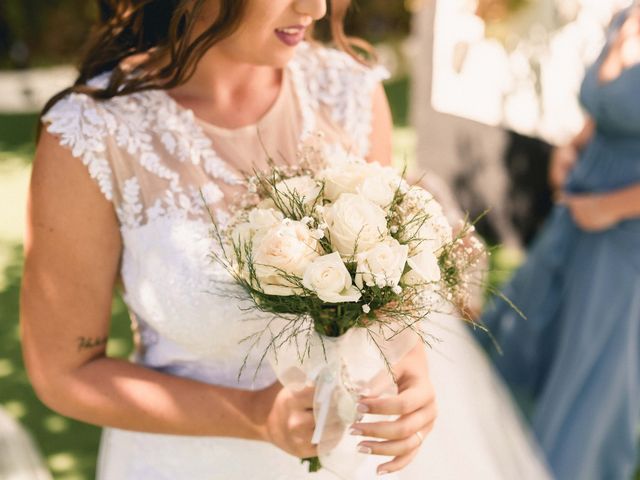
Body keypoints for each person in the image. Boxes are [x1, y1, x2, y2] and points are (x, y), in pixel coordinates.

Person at [20, 1, 550, 478]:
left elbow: (387, 299)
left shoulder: (349, 92)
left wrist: (410, 371)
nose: (316, 9)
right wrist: (253, 417)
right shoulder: (91, 135)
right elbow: (65, 372)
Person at [479, 5, 640, 479]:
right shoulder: (626, 15)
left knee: (588, 380)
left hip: (624, 234)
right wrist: (572, 149)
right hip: (576, 215)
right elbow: (608, 112)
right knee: (526, 339)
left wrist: (609, 208)